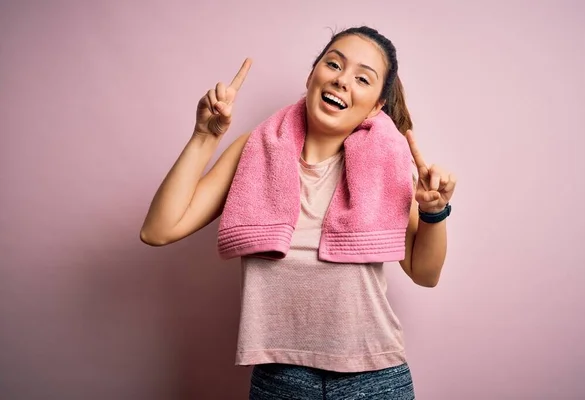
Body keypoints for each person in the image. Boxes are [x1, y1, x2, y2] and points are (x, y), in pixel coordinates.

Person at [141, 26, 456, 399]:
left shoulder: (386, 165)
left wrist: (433, 211)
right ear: (312, 75)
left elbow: (425, 274)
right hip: (279, 378)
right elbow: (159, 230)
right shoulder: (254, 150)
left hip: (374, 377)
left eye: (362, 78)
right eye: (334, 64)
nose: (342, 81)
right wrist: (204, 136)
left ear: (375, 106)